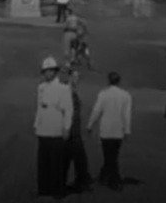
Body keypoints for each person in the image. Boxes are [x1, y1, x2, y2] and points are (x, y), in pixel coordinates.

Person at [34, 57, 73, 198]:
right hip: (43, 130)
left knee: (57, 163)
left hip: (57, 131)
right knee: (43, 162)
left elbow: (68, 110)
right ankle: (44, 189)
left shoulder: (63, 89)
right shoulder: (41, 88)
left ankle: (58, 190)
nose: (48, 73)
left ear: (55, 72)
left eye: (51, 71)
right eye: (46, 71)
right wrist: (36, 124)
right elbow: (39, 107)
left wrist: (67, 127)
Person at [87, 71, 132, 191]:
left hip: (106, 130)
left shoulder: (103, 94)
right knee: (113, 156)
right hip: (118, 130)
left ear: (108, 80)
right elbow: (126, 115)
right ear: (119, 81)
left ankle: (112, 180)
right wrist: (127, 130)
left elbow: (97, 111)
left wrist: (90, 124)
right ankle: (107, 177)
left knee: (108, 156)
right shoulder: (126, 95)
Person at [60, 65, 91, 193]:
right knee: (74, 158)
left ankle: (81, 181)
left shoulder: (71, 91)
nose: (77, 79)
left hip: (74, 130)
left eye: (78, 77)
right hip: (71, 131)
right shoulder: (67, 92)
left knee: (76, 158)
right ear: (69, 78)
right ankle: (77, 183)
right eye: (75, 77)